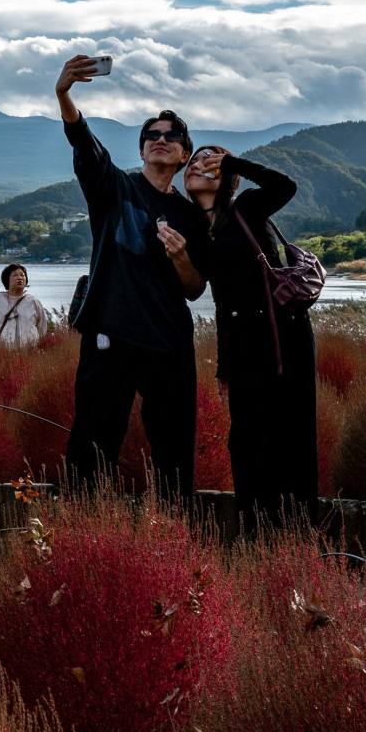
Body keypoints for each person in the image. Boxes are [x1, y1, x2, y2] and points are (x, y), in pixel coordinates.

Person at [55, 56, 211, 500]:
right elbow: (86, 146)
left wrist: (180, 256)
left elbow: (195, 289)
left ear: (183, 155)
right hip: (111, 336)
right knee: (92, 443)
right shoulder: (114, 189)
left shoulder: (191, 215)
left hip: (169, 343)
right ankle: (81, 534)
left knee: (174, 451)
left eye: (171, 136)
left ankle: (172, 540)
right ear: (142, 150)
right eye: (152, 136)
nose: (160, 140)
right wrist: (64, 95)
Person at [183, 145, 316, 529]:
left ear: (226, 174)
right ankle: (256, 538)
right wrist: (224, 368)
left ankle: (297, 539)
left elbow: (285, 186)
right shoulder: (197, 229)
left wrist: (234, 162)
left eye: (209, 159)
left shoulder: (247, 209)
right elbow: (222, 304)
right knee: (245, 445)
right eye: (194, 160)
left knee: (290, 442)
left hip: (283, 340)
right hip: (243, 349)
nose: (198, 164)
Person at [0, 263, 50, 348]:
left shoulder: (33, 301)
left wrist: (35, 343)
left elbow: (42, 327)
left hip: (30, 352)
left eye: (22, 275)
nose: (20, 278)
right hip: (2, 352)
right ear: (7, 279)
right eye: (14, 275)